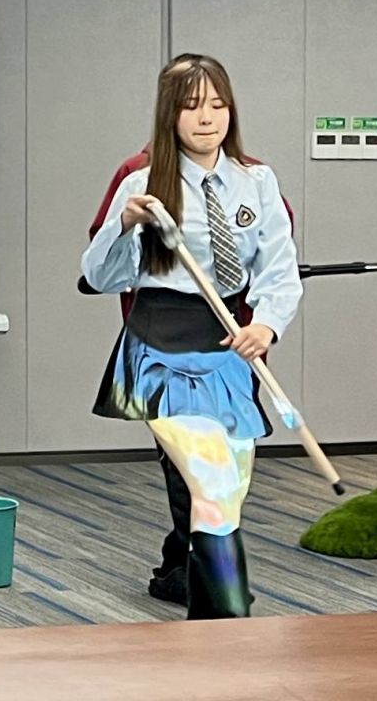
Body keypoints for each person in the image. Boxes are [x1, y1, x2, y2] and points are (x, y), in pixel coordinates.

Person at [82, 53, 300, 620]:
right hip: (161, 344)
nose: (207, 119)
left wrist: (265, 325)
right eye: (192, 106)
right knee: (211, 482)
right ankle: (226, 618)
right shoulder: (142, 183)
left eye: (218, 105)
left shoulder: (258, 181)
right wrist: (124, 225)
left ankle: (215, 620)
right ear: (169, 115)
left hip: (228, 344)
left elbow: (279, 270)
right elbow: (100, 276)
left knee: (228, 492)